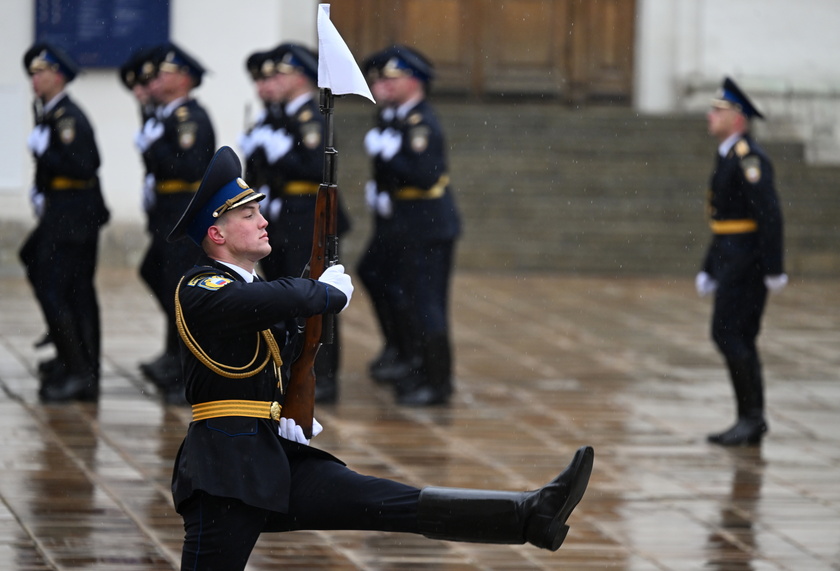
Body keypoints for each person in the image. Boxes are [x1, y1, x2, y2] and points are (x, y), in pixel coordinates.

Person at [167, 146, 594, 570]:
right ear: (216, 234)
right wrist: (323, 292)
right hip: (223, 473)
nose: (263, 221)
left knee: (388, 501)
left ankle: (528, 515)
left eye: (259, 211)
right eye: (248, 215)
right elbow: (262, 300)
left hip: (269, 456)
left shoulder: (251, 293)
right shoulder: (200, 288)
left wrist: (277, 411)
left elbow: (273, 340)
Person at [238, 43, 350, 403]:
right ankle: (292, 364)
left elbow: (315, 167)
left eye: (279, 74)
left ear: (300, 76)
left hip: (307, 217)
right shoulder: (282, 116)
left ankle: (323, 374)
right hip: (285, 217)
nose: (269, 83)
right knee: (289, 295)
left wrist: (282, 157)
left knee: (315, 297)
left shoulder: (311, 118)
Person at [358, 45, 461, 406]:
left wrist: (393, 160)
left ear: (414, 82)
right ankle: (415, 365)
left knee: (427, 304)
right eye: (377, 79)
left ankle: (438, 382)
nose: (380, 85)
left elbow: (425, 174)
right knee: (409, 296)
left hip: (427, 226)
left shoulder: (421, 124)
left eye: (390, 78)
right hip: (408, 224)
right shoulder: (396, 120)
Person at [696, 77, 787, 446]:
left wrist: (774, 267)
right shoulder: (729, 155)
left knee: (732, 335)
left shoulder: (749, 157)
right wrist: (709, 267)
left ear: (737, 118)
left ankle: (751, 418)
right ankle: (750, 418)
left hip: (747, 264)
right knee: (733, 336)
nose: (710, 116)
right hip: (732, 260)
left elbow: (769, 213)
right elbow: (723, 221)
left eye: (718, 110)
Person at [19, 43, 110, 402]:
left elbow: (85, 165)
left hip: (73, 216)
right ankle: (71, 356)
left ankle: (80, 370)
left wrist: (48, 152)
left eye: (40, 73)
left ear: (57, 76)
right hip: (64, 212)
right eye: (32, 73)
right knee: (61, 283)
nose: (34, 79)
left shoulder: (68, 117)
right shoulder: (51, 114)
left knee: (60, 289)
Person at [135, 42, 216, 405]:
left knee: (183, 291)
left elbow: (186, 167)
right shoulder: (168, 117)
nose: (157, 80)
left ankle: (189, 369)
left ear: (184, 79)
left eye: (165, 73)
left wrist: (156, 149)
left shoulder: (190, 119)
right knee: (163, 278)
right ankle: (174, 356)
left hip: (185, 212)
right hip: (168, 212)